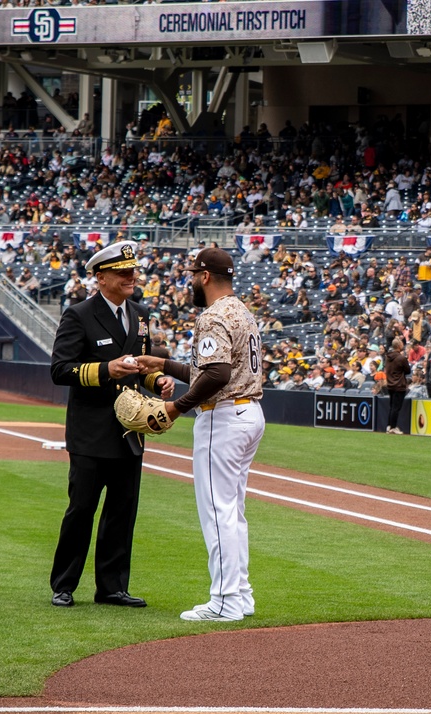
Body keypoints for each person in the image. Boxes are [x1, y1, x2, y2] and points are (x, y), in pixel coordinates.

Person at [135, 248, 264, 622]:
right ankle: (240, 594)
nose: (191, 280)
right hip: (248, 411)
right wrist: (165, 364)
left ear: (205, 276)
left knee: (217, 512)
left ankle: (224, 600)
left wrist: (177, 406)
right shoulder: (240, 310)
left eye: (194, 274)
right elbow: (212, 368)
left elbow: (217, 374)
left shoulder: (213, 315)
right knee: (233, 512)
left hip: (223, 417)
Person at [48, 241, 174, 610]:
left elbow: (143, 368)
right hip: (90, 432)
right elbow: (59, 370)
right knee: (81, 510)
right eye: (122, 273)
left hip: (129, 431)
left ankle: (112, 587)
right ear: (101, 278)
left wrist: (158, 382)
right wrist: (106, 369)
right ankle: (64, 584)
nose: (131, 277)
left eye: (133, 271)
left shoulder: (141, 313)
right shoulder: (78, 315)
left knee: (122, 512)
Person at [384, 337, 410, 434]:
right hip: (399, 385)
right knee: (396, 408)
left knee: (392, 406)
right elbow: (408, 370)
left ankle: (389, 425)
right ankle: (393, 427)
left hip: (390, 384)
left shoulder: (388, 357)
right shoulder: (401, 358)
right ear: (399, 346)